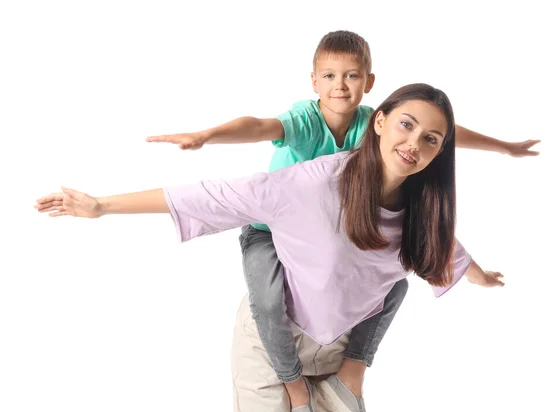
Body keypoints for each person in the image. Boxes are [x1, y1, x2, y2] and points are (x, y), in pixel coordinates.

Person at [36, 83, 505, 411]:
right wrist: (100, 205)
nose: (413, 143)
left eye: (430, 139)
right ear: (379, 121)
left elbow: (446, 250)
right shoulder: (314, 184)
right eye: (405, 124)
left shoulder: (424, 209)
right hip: (274, 336)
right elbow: (214, 195)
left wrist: (482, 276)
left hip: (341, 347)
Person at [144, 30, 537, 410]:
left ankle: (354, 369)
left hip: (328, 240)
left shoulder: (374, 124)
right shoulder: (305, 121)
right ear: (313, 81)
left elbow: (439, 132)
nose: (341, 87)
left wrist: (502, 147)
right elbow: (259, 126)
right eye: (330, 76)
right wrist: (207, 135)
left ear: (369, 83)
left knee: (394, 282)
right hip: (269, 231)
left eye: (352, 76)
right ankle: (293, 384)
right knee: (267, 299)